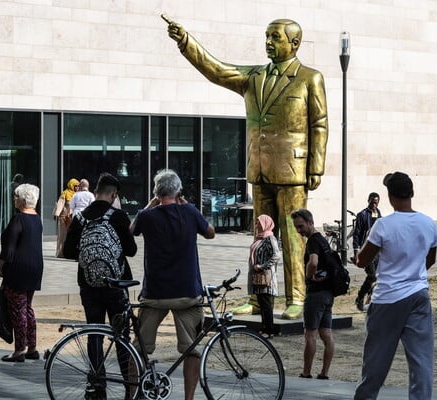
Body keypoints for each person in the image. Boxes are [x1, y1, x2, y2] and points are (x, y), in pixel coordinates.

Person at [165, 17, 328, 319]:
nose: (268, 42)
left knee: (293, 238)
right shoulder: (253, 77)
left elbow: (319, 124)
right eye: (267, 36)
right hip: (260, 169)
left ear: (294, 43)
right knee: (260, 238)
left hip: (293, 171)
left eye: (275, 37)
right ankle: (257, 298)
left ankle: (297, 298)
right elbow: (217, 70)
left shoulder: (310, 78)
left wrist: (316, 166)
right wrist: (185, 42)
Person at [131, 169, 215, 400]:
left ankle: (132, 393)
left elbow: (131, 230)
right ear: (178, 192)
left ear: (157, 193)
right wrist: (187, 204)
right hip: (186, 292)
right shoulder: (188, 211)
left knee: (138, 347)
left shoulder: (148, 216)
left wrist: (152, 202)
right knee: (192, 349)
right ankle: (188, 398)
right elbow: (210, 233)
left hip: (155, 294)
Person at [354, 172, 437, 400]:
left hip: (388, 298)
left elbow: (362, 260)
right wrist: (412, 273)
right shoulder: (428, 223)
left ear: (390, 197)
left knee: (376, 360)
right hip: (419, 294)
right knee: (421, 359)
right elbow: (429, 260)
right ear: (412, 193)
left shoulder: (383, 225)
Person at [63, 173, 137, 397]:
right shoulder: (119, 216)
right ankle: (129, 386)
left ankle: (96, 385)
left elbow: (67, 251)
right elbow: (131, 250)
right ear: (114, 195)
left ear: (96, 191)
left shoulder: (81, 217)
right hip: (115, 284)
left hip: (88, 284)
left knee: (94, 332)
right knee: (121, 335)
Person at [0, 184, 43, 362]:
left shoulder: (18, 219)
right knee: (27, 308)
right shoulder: (36, 218)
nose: (14, 199)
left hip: (18, 269)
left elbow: (9, 248)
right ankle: (32, 347)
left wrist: (1, 265)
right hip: (34, 268)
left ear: (23, 199)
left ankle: (19, 350)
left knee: (18, 310)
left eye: (16, 196)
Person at [291, 209, 334, 380]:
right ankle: (324, 372)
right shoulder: (323, 240)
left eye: (300, 226)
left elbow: (313, 261)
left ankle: (306, 371)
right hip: (328, 292)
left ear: (310, 222)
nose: (299, 230)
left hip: (316, 293)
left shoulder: (313, 242)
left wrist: (308, 276)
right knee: (327, 333)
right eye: (296, 227)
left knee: (310, 333)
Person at [248, 214, 280, 338]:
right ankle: (264, 327)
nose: (257, 225)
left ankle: (269, 330)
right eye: (256, 223)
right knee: (262, 303)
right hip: (258, 277)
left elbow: (276, 256)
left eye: (259, 223)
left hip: (266, 277)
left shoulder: (269, 238)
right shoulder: (259, 238)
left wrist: (262, 266)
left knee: (266, 304)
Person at [352, 192, 382, 311]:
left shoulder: (379, 214)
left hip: (378, 251)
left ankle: (370, 300)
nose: (374, 204)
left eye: (376, 202)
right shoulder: (362, 215)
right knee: (372, 276)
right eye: (372, 202)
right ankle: (360, 297)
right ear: (368, 201)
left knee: (376, 277)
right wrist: (356, 251)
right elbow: (357, 233)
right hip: (366, 250)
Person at [53, 178, 79, 257]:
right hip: (63, 218)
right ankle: (61, 253)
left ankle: (69, 252)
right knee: (62, 237)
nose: (77, 188)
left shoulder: (77, 195)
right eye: (76, 186)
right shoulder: (65, 193)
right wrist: (57, 214)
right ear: (71, 185)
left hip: (72, 218)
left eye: (78, 186)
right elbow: (60, 204)